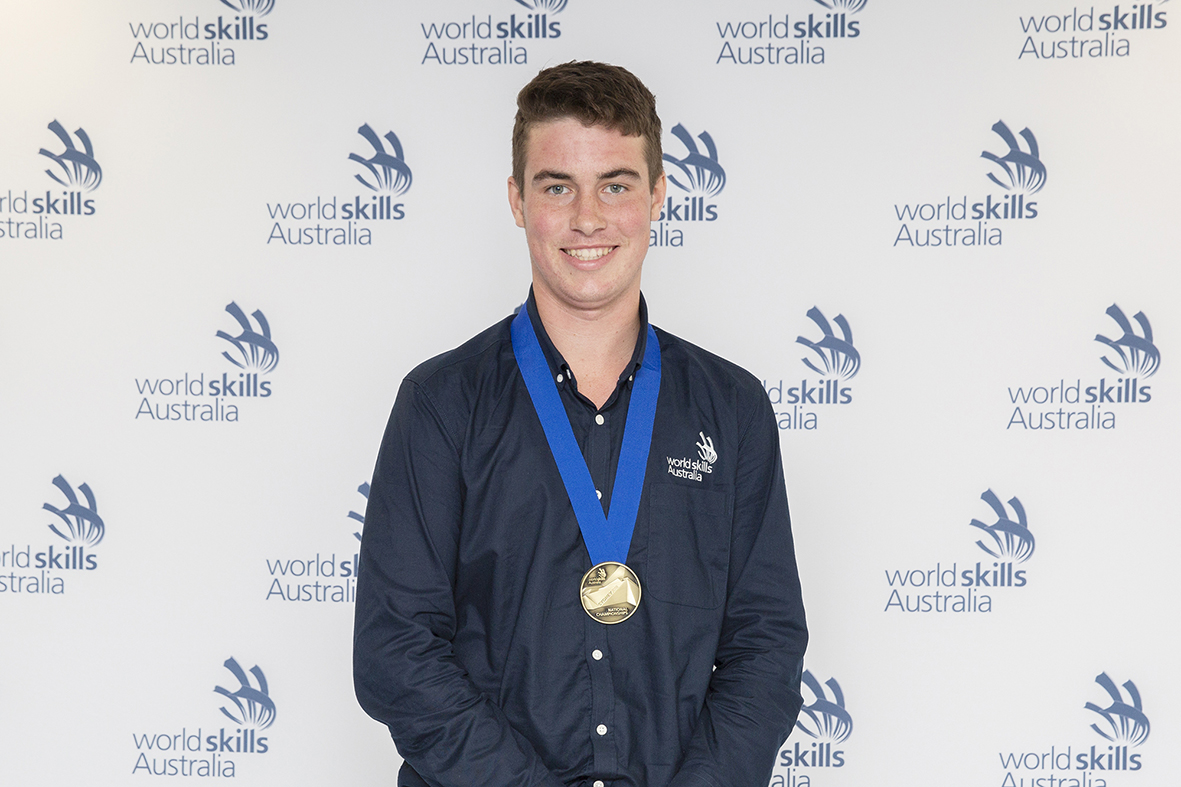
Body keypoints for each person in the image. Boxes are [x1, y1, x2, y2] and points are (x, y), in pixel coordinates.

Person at [354, 61, 807, 787]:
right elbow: (394, 651)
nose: (587, 217)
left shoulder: (732, 409)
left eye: (616, 185)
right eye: (556, 185)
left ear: (657, 195)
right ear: (516, 200)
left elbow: (765, 643)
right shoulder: (440, 402)